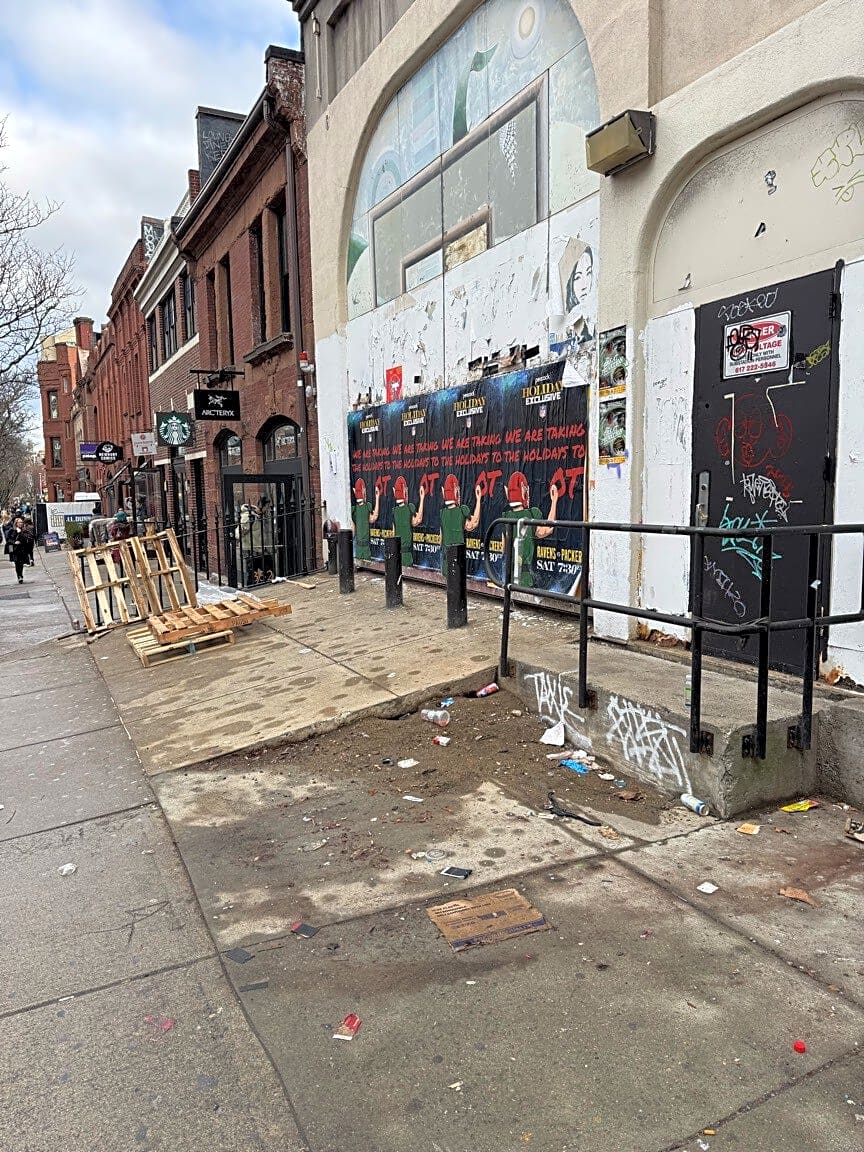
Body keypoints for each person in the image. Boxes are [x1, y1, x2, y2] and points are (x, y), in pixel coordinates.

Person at [6, 517, 27, 584]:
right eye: (19, 522)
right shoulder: (11, 530)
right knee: (17, 563)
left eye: (22, 522)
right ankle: (19, 576)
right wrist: (14, 542)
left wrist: (20, 533)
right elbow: (8, 539)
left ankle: (20, 575)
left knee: (21, 563)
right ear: (16, 523)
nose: (21, 523)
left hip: (22, 549)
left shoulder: (23, 530)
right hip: (14, 549)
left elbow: (25, 539)